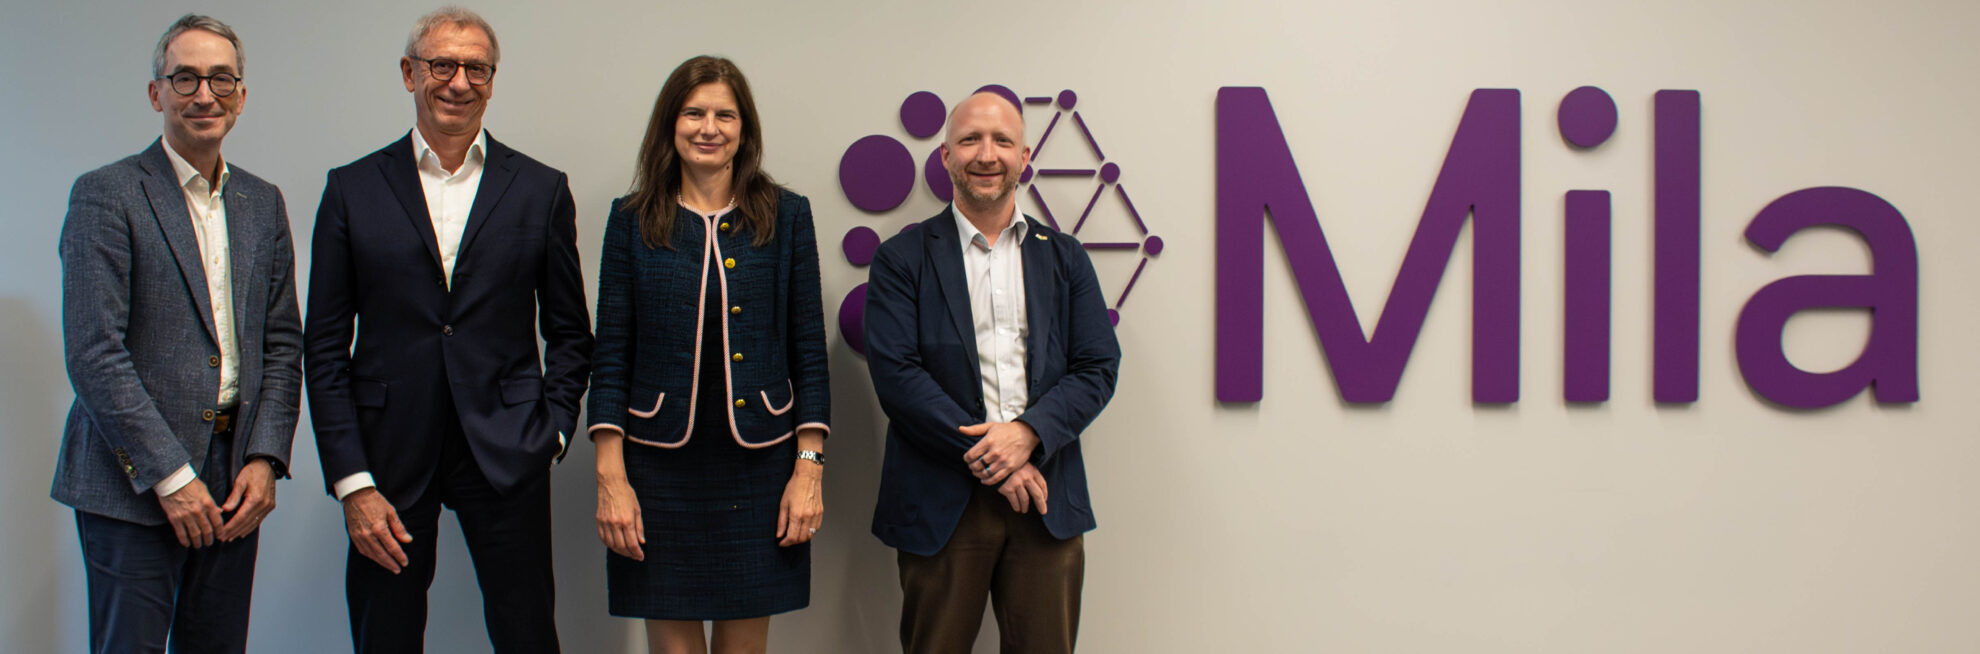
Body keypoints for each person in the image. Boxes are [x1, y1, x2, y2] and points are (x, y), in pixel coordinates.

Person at [302, 6, 593, 652]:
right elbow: (322, 348)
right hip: (387, 456)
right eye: (442, 65)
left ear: (492, 80)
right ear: (409, 73)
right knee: (386, 635)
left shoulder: (540, 189)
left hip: (508, 447)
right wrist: (351, 480)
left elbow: (572, 332)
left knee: (527, 635)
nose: (459, 82)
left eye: (476, 68)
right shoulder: (351, 189)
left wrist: (552, 432)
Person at [52, 13, 302, 652]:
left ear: (240, 96)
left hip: (234, 479)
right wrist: (172, 476)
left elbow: (282, 345)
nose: (204, 95)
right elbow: (94, 352)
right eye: (185, 78)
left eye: (221, 79)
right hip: (132, 483)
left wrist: (266, 457)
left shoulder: (262, 203)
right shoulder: (106, 195)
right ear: (156, 93)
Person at [586, 55, 831, 654]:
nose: (708, 128)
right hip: (656, 470)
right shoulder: (631, 219)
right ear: (670, 123)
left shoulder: (787, 215)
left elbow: (808, 352)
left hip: (761, 467)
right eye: (694, 113)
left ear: (744, 129)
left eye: (725, 115)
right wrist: (611, 479)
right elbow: (611, 354)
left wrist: (808, 470)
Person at [864, 90, 1122, 653]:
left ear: (1024, 157)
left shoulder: (1066, 257)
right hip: (941, 500)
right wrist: (997, 458)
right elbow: (898, 376)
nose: (987, 154)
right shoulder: (901, 259)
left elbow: (1097, 367)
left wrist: (1027, 436)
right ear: (945, 156)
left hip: (1045, 496)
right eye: (970, 140)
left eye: (1002, 141)